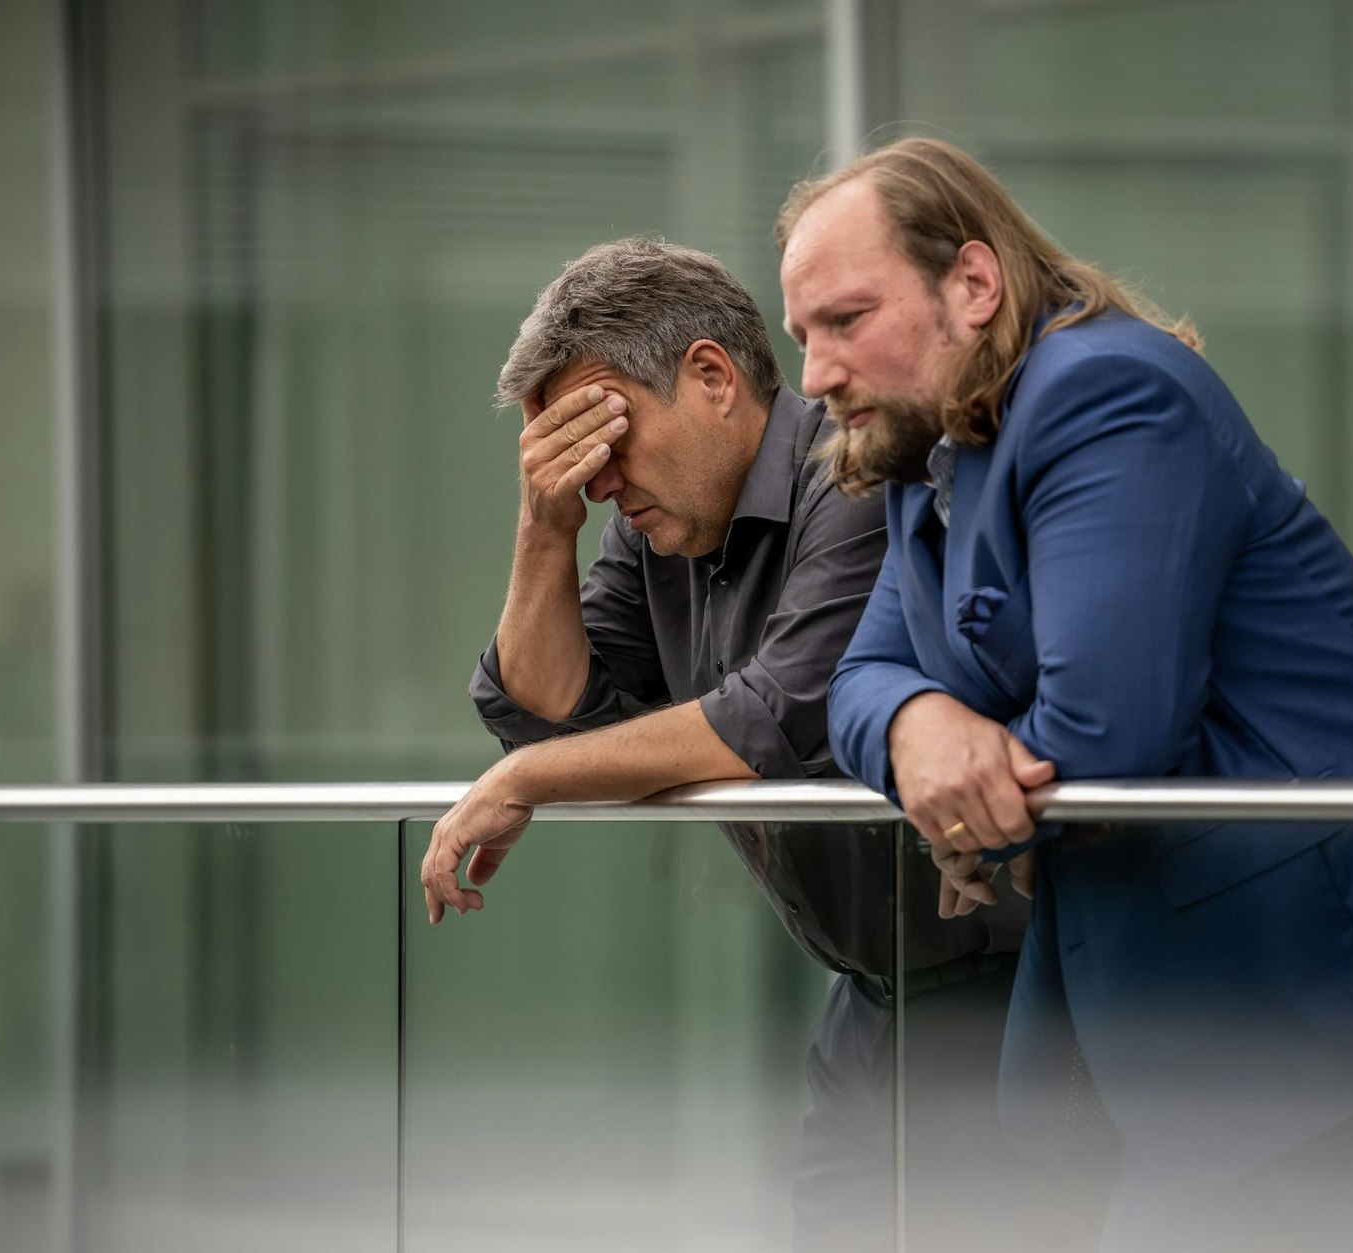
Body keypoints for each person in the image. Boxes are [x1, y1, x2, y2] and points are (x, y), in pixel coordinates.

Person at [778, 139, 1353, 1253]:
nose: (812, 374)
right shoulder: (932, 462)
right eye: (801, 333)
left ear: (973, 283)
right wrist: (917, 730)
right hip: (1253, 1039)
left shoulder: (1101, 389)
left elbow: (1106, 735)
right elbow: (854, 683)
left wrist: (978, 804)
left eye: (844, 320)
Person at [419, 238, 1053, 1251]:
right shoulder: (649, 532)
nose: (597, 483)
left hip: (1008, 991)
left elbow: (777, 717)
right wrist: (543, 529)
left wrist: (524, 776)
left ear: (710, 377)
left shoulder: (849, 477)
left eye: (606, 438)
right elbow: (550, 715)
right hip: (866, 998)